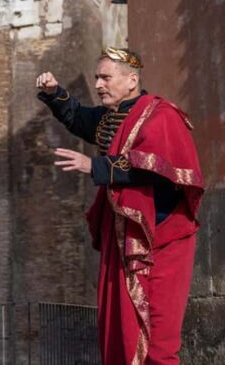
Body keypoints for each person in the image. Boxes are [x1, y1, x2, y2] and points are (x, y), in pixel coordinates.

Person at [36, 47, 205, 365]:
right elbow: (77, 116)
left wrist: (95, 166)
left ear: (131, 80)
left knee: (158, 337)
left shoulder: (161, 115)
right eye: (96, 77)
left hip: (161, 237)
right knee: (120, 332)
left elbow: (156, 168)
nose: (98, 84)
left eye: (105, 77)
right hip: (122, 237)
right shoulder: (108, 118)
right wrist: (53, 93)